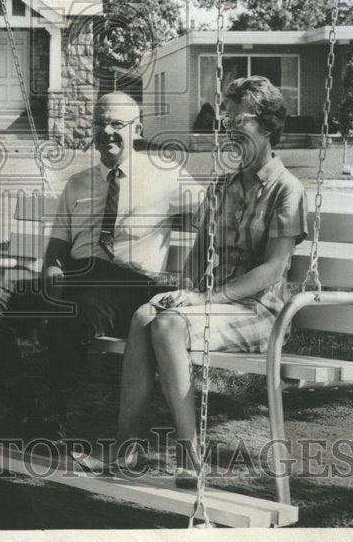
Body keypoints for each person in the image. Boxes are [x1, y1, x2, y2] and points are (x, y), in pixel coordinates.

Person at [0, 92, 199, 440]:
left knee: (66, 312)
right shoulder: (78, 183)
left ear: (138, 129)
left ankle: (52, 417)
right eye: (100, 122)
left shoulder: (166, 175)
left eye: (118, 123)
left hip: (126, 286)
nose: (108, 131)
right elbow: (57, 246)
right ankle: (27, 413)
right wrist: (53, 267)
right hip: (73, 278)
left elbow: (214, 216)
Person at [113, 76, 308, 483]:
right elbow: (201, 250)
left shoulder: (287, 190)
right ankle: (126, 449)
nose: (230, 129)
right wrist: (182, 291)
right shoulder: (223, 186)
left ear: (268, 125)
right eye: (227, 120)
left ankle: (191, 459)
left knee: (167, 326)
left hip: (262, 312)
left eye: (241, 120)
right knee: (145, 315)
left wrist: (206, 299)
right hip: (216, 305)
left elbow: (273, 269)